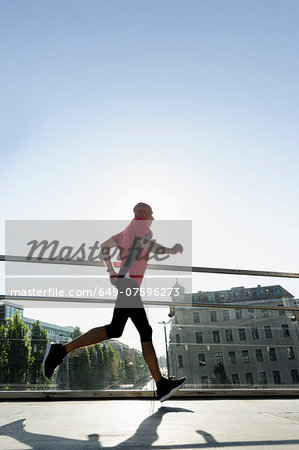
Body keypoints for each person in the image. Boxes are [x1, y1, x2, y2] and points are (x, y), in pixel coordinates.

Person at [43, 202, 186, 401]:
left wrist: (112, 273)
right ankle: (161, 385)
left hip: (125, 282)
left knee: (117, 329)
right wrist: (170, 250)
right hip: (129, 284)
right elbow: (148, 245)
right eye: (152, 214)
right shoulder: (141, 225)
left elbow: (104, 247)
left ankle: (61, 350)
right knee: (142, 330)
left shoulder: (125, 232)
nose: (153, 218)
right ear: (143, 213)